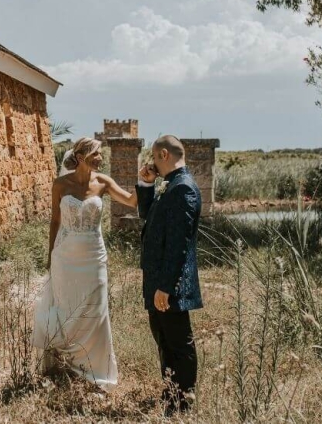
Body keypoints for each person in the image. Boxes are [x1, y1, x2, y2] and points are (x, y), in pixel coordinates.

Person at [32, 137, 138, 391]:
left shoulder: (103, 182)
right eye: (96, 154)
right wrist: (50, 255)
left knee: (96, 310)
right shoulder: (60, 184)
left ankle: (97, 369)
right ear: (80, 157)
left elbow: (131, 201)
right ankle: (66, 364)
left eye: (100, 153)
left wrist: (145, 180)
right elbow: (55, 221)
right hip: (65, 258)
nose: (101, 158)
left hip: (94, 256)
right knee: (67, 307)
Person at [136, 135, 203, 414]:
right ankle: (171, 397)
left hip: (169, 283)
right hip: (158, 281)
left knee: (178, 344)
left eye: (154, 157)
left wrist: (165, 286)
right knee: (164, 341)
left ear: (164, 154)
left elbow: (178, 244)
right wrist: (146, 185)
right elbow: (148, 217)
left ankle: (183, 404)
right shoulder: (171, 184)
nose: (152, 162)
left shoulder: (183, 187)